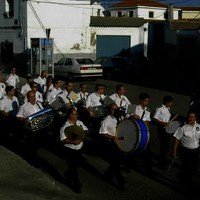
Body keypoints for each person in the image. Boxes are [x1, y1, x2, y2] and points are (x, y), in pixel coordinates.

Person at [60, 107, 88, 193]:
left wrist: (84, 134)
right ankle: (75, 185)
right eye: (75, 114)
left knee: (75, 166)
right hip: (70, 150)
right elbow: (63, 139)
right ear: (70, 115)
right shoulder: (65, 126)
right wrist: (73, 141)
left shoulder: (79, 123)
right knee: (73, 168)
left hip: (79, 149)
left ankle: (70, 177)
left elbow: (86, 130)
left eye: (77, 114)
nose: (77, 115)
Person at [99, 103, 126, 190]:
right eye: (113, 109)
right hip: (111, 143)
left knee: (117, 162)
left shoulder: (121, 118)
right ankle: (118, 182)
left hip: (121, 141)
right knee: (117, 161)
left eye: (116, 109)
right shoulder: (107, 120)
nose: (115, 111)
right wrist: (112, 137)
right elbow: (102, 133)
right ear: (109, 110)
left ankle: (107, 175)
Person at [173, 110, 200, 192]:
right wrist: (174, 152)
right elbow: (177, 140)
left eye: (192, 117)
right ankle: (188, 185)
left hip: (196, 151)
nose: (190, 118)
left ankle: (183, 176)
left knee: (194, 168)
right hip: (186, 151)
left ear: (195, 118)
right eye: (189, 117)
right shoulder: (183, 128)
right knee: (187, 168)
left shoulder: (199, 126)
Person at [153, 95, 176, 169]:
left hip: (167, 130)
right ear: (167, 102)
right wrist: (164, 123)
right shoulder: (159, 109)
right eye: (171, 102)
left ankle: (162, 161)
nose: (171, 104)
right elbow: (154, 118)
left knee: (166, 147)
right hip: (161, 129)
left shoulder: (168, 109)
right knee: (164, 146)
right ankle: (161, 163)